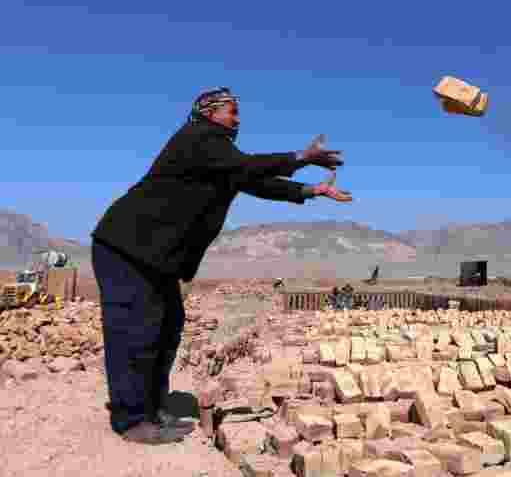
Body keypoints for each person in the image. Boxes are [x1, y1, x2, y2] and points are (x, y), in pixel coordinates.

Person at [90, 87, 353, 444]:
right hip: (127, 248)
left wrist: (312, 191)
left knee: (167, 328)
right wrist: (303, 156)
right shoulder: (196, 138)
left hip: (155, 257)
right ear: (210, 112)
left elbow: (258, 182)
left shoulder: (220, 156)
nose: (238, 119)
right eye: (233, 111)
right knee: (136, 332)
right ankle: (132, 419)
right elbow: (248, 167)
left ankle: (151, 407)